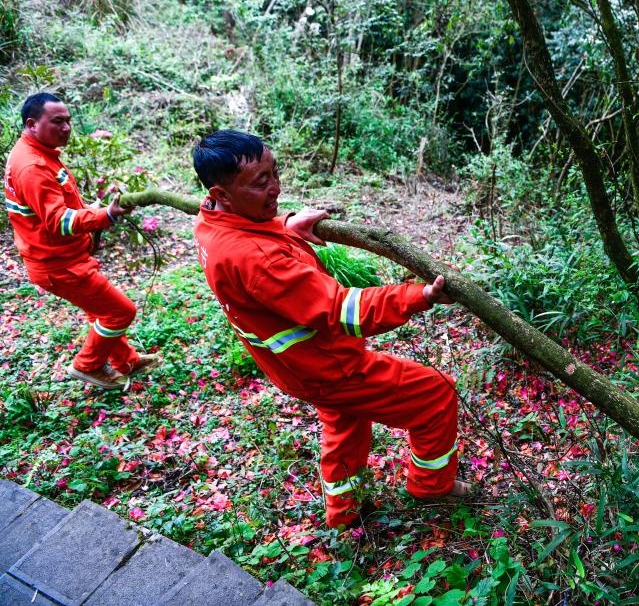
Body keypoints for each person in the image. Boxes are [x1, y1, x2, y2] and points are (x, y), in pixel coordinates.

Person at [191, 129, 468, 528]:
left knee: (345, 423)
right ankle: (432, 486)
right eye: (260, 182)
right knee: (435, 394)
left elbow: (253, 239)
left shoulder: (212, 222)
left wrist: (287, 226)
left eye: (275, 172)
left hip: (297, 366)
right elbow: (342, 309)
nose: (275, 188)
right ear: (223, 192)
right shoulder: (256, 259)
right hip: (329, 366)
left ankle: (343, 513)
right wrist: (418, 296)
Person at [4, 92, 159, 389]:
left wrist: (96, 211)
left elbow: (62, 206)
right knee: (120, 310)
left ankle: (125, 360)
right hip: (57, 263)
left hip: (61, 258)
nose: (66, 128)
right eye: (57, 122)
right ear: (32, 123)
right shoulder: (33, 166)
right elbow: (58, 221)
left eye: (68, 121)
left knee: (100, 311)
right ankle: (87, 365)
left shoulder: (37, 154)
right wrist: (105, 216)